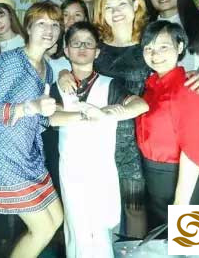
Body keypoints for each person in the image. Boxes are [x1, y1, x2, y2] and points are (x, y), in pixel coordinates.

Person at [48, 21, 148, 258]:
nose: (82, 48)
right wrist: (85, 115)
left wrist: (109, 113)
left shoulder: (109, 84)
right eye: (76, 43)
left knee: (102, 227)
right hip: (71, 169)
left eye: (88, 43)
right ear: (66, 50)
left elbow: (140, 105)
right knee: (77, 229)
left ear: (97, 51)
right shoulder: (58, 86)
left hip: (102, 168)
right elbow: (52, 117)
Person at [61, 0, 150, 238]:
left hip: (141, 137)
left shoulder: (150, 42)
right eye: (108, 6)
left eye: (122, 3)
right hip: (99, 137)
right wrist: (64, 73)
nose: (115, 11)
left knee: (135, 205)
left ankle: (137, 252)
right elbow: (80, 63)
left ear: (136, 5)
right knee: (99, 206)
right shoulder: (99, 46)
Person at [0, 1, 64, 258]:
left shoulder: (47, 69)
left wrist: (81, 115)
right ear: (28, 27)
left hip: (29, 155)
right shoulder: (12, 60)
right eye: (41, 23)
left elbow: (42, 119)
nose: (49, 30)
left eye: (55, 25)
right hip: (3, 154)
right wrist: (30, 106)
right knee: (42, 230)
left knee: (56, 220)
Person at [137, 20, 199, 231]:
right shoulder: (151, 86)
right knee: (163, 241)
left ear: (180, 47)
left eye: (163, 46)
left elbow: (193, 150)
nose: (155, 54)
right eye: (148, 48)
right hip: (153, 177)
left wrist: (180, 205)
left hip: (180, 179)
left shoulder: (189, 88)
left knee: (189, 241)